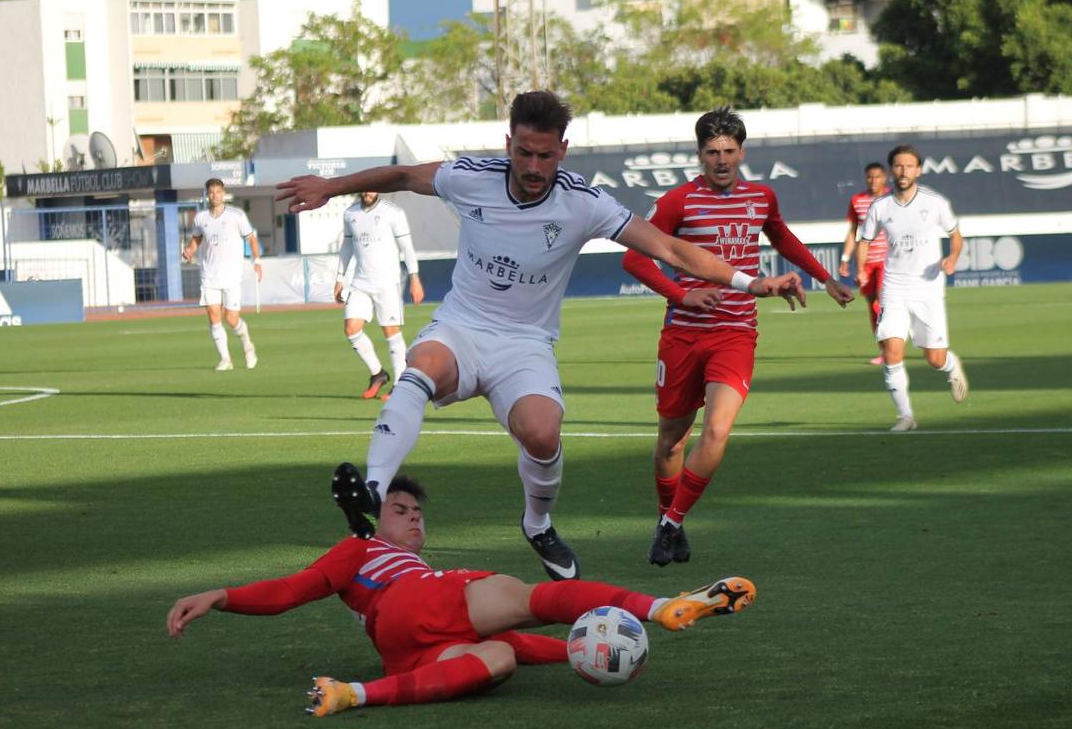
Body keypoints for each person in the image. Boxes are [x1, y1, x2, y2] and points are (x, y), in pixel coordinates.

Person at [274, 91, 804, 582]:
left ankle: (537, 524)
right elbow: (404, 175)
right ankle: (375, 488)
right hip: (462, 326)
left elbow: (670, 250)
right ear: (509, 143)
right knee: (419, 369)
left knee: (544, 435)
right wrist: (328, 188)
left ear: (563, 151)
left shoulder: (585, 203)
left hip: (526, 343)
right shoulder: (469, 176)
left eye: (545, 156)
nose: (532, 167)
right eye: (524, 153)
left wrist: (749, 281)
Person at [165, 464, 757, 716]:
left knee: (500, 656)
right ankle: (659, 607)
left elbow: (527, 647)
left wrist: (593, 652)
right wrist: (221, 594)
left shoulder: (399, 563)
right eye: (401, 509)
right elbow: (295, 588)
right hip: (416, 603)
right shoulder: (366, 549)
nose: (414, 518)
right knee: (527, 598)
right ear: (378, 520)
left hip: (405, 651)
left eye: (419, 512)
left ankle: (354, 695)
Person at [621, 107, 854, 567]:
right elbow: (635, 260)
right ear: (699, 154)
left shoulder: (762, 197)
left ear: (742, 152)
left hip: (736, 330)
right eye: (712, 152)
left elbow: (782, 237)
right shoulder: (676, 202)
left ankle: (671, 524)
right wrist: (681, 295)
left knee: (719, 429)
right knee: (671, 438)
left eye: (729, 151)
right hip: (683, 334)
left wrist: (824, 277)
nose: (721, 160)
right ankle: (670, 519)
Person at [860, 144, 969, 432]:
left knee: (934, 358)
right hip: (894, 287)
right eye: (898, 165)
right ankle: (905, 416)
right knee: (892, 351)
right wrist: (860, 269)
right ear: (890, 171)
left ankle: (951, 364)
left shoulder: (935, 203)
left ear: (918, 170)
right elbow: (865, 240)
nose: (903, 171)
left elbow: (956, 236)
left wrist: (952, 258)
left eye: (909, 166)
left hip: (928, 288)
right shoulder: (880, 207)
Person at [336, 191, 425, 401]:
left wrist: (414, 278)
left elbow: (407, 248)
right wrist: (340, 278)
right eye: (365, 188)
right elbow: (347, 246)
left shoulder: (393, 213)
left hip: (387, 283)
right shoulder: (350, 214)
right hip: (360, 282)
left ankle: (399, 385)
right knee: (351, 329)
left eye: (372, 188)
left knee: (391, 331)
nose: (368, 192)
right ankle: (378, 373)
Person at [182, 178, 261, 371]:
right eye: (211, 192)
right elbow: (196, 240)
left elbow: (251, 239)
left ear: (223, 193)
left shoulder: (236, 215)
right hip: (209, 275)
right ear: (207, 194)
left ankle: (248, 346)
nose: (215, 195)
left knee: (231, 319)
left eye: (218, 191)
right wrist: (189, 250)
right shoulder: (201, 218)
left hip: (232, 275)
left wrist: (257, 261)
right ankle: (226, 359)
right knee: (213, 315)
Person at [841, 162, 890, 365]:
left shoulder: (893, 198)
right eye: (870, 177)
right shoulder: (858, 200)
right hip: (866, 262)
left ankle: (891, 347)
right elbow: (853, 232)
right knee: (872, 307)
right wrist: (845, 259)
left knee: (882, 303)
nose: (873, 181)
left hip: (889, 260)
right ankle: (883, 350)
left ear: (884, 178)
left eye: (877, 177)